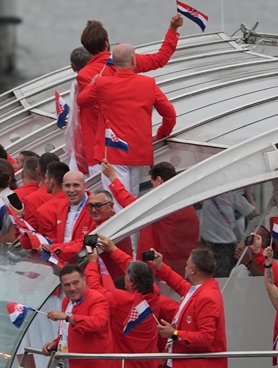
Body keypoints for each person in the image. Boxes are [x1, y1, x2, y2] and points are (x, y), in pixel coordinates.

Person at [75, 15, 181, 174]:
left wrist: (93, 84)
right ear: (106, 43)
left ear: (86, 47)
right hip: (135, 147)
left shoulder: (85, 75)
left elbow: (90, 106)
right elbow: (160, 59)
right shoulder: (127, 60)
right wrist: (173, 29)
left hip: (105, 150)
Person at [75, 42, 176, 197]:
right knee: (131, 199)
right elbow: (170, 114)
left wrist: (92, 84)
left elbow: (82, 101)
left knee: (116, 201)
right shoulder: (148, 84)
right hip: (139, 152)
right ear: (133, 60)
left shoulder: (102, 84)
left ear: (114, 62)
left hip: (113, 152)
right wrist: (160, 134)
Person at [84, 244, 165, 368]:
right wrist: (112, 249)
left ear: (131, 282)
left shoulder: (120, 299)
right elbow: (134, 267)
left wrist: (92, 263)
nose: (124, 277)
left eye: (126, 276)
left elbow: (95, 288)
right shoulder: (155, 293)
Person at [41, 263, 118, 368]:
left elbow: (98, 323)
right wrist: (55, 343)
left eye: (76, 283)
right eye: (67, 285)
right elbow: (67, 331)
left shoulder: (97, 299)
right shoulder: (66, 302)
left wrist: (67, 316)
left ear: (84, 280)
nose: (72, 288)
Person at [150, 248, 228, 368]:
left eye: (187, 265)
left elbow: (205, 337)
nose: (184, 268)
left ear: (193, 270)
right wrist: (160, 266)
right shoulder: (200, 290)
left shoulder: (207, 297)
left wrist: (173, 334)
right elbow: (179, 284)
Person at [99, 159, 199, 262]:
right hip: (183, 263)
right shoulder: (187, 204)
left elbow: (129, 202)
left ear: (159, 180)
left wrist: (112, 177)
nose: (152, 189)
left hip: (159, 264)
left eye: (152, 184)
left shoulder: (160, 203)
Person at [199, 189, 257, 277]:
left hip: (220, 246)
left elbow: (255, 216)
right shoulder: (231, 195)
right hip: (215, 245)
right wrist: (248, 191)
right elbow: (254, 215)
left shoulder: (201, 194)